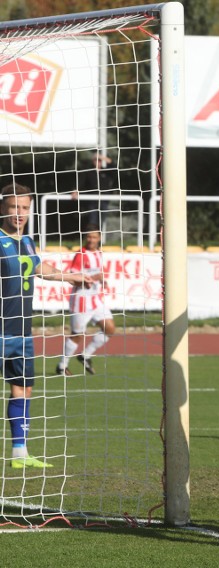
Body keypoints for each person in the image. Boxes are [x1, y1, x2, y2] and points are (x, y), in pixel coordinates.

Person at [0, 183, 90, 468]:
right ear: (3, 207)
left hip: (21, 331)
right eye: (14, 207)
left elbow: (39, 268)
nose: (20, 213)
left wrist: (72, 277)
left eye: (25, 208)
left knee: (23, 387)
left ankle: (19, 454)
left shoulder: (26, 241)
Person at [55, 226, 115, 376]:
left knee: (110, 328)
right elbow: (73, 279)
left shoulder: (99, 254)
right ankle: (62, 366)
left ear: (99, 238)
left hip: (96, 299)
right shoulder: (81, 255)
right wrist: (95, 278)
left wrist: (102, 282)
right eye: (88, 237)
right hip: (81, 301)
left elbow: (97, 274)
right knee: (77, 335)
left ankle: (85, 355)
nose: (91, 240)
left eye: (94, 237)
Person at [74, 152, 116, 234]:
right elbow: (80, 182)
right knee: (92, 219)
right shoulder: (89, 172)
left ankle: (101, 237)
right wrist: (75, 190)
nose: (98, 162)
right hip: (92, 199)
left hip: (104, 199)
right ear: (93, 161)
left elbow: (114, 165)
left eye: (99, 160)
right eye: (96, 160)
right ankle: (92, 236)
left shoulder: (107, 171)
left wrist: (102, 157)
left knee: (103, 218)